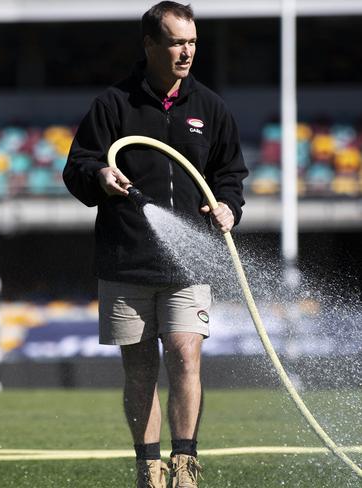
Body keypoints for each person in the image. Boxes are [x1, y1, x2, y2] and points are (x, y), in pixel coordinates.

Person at [63, 2, 248, 487]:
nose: (186, 52)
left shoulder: (210, 107)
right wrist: (99, 175)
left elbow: (230, 175)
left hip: (189, 262)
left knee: (186, 355)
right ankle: (149, 464)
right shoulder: (112, 105)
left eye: (192, 42)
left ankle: (185, 462)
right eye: (175, 42)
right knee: (140, 369)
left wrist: (229, 206)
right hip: (127, 261)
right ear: (149, 45)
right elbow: (76, 166)